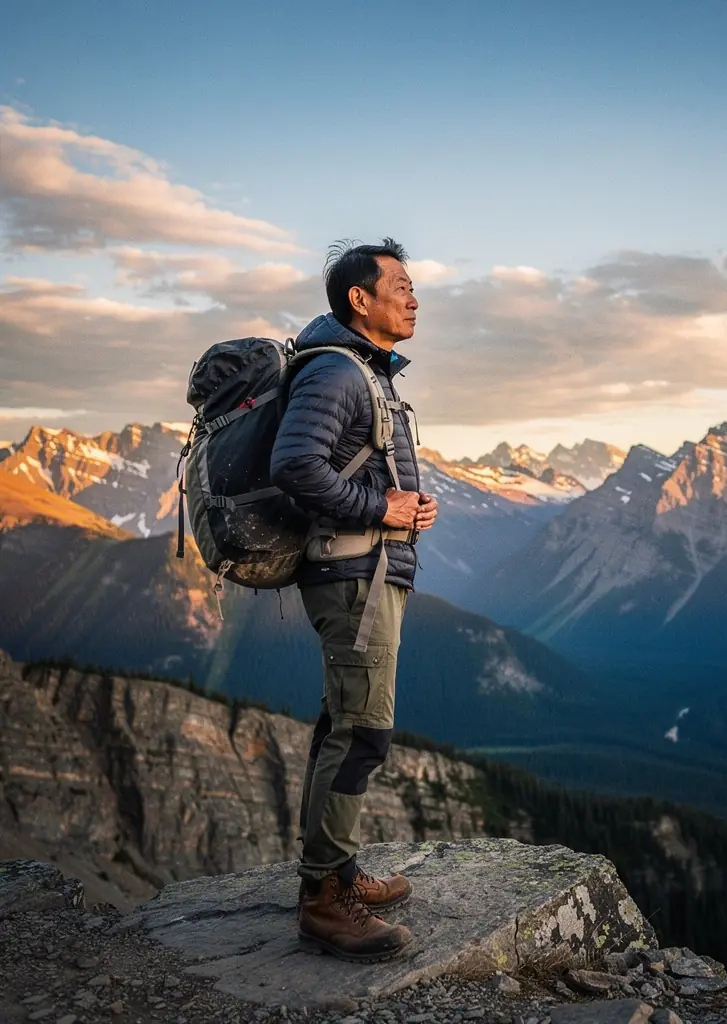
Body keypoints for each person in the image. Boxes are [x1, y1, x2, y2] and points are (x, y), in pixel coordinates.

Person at [270, 238, 438, 962]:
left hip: (365, 570)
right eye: (400, 286)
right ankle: (322, 902)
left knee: (344, 720)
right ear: (358, 300)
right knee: (364, 730)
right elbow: (294, 463)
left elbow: (346, 468)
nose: (414, 298)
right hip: (352, 576)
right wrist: (381, 509)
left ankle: (336, 873)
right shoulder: (339, 370)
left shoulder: (362, 370)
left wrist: (401, 509)